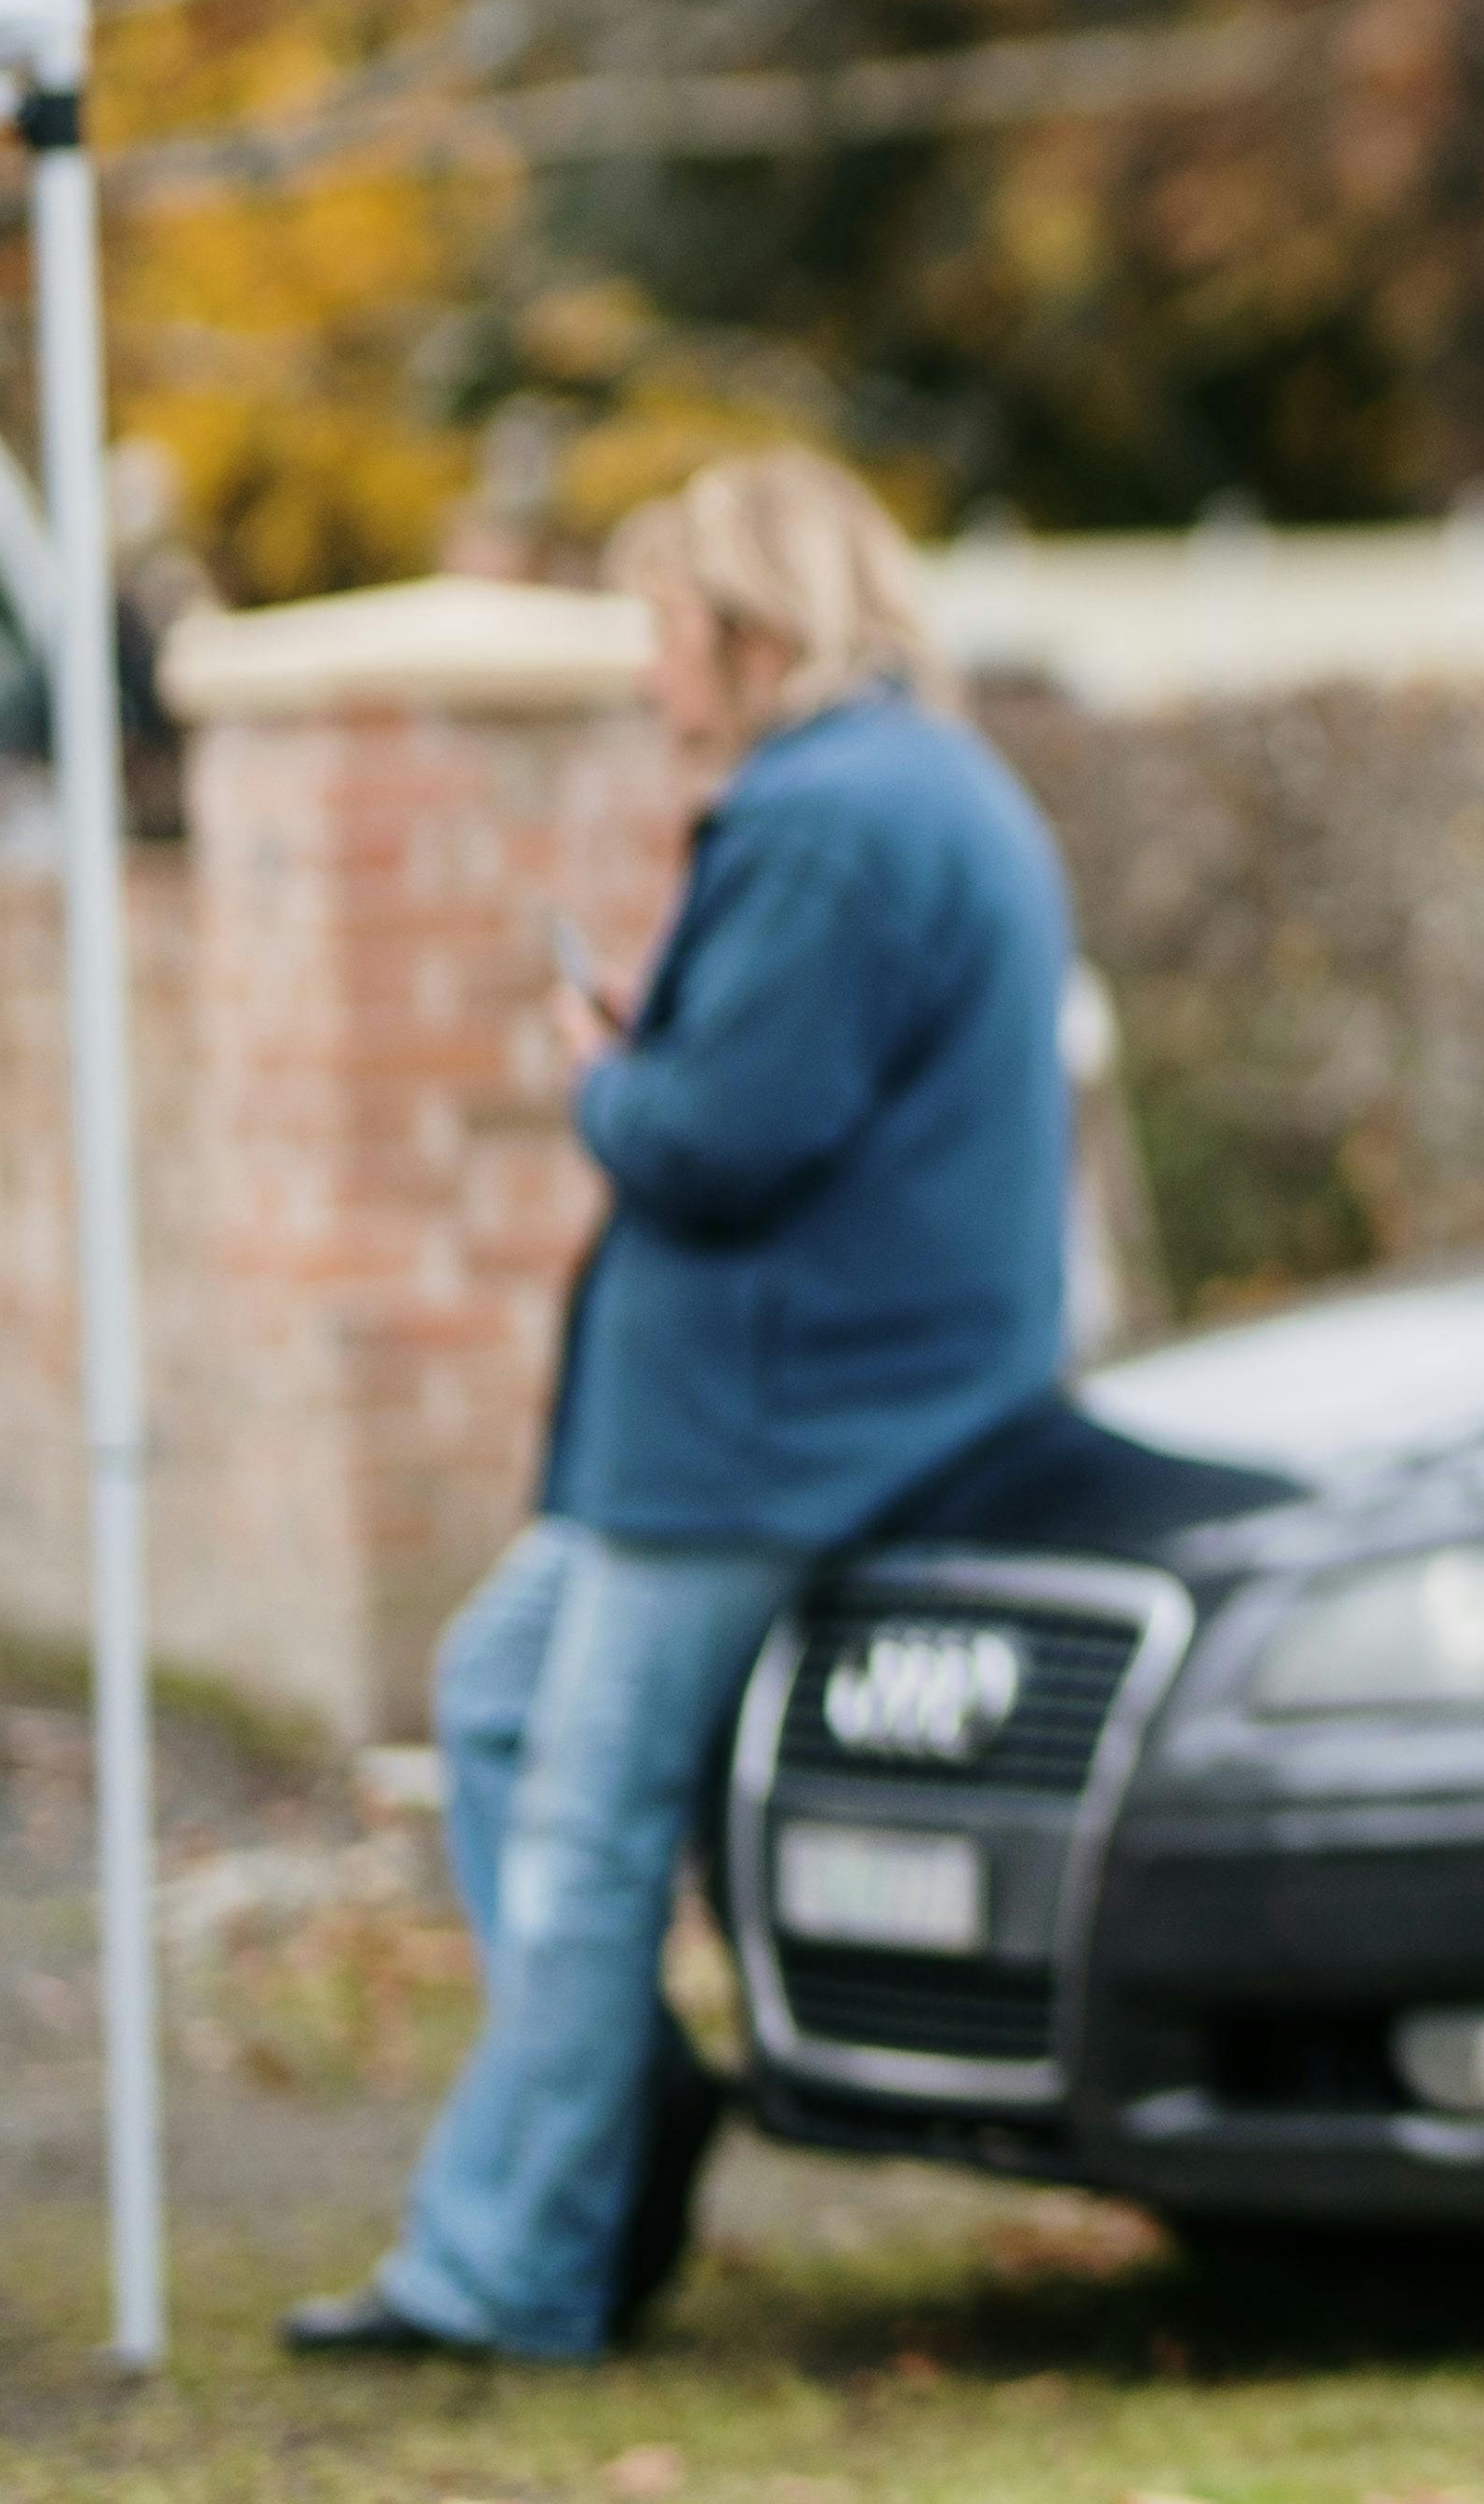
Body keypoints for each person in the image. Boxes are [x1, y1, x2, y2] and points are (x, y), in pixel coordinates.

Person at [286, 447, 1076, 2362]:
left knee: (578, 1833)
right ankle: (616, 2099)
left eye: (662, 628)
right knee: (489, 1691)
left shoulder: (822, 817)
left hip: (766, 1425)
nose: (652, 676)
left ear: (747, 620)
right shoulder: (923, 786)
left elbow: (723, 1135)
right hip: (816, 1402)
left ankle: (507, 2268)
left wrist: (599, 1070)